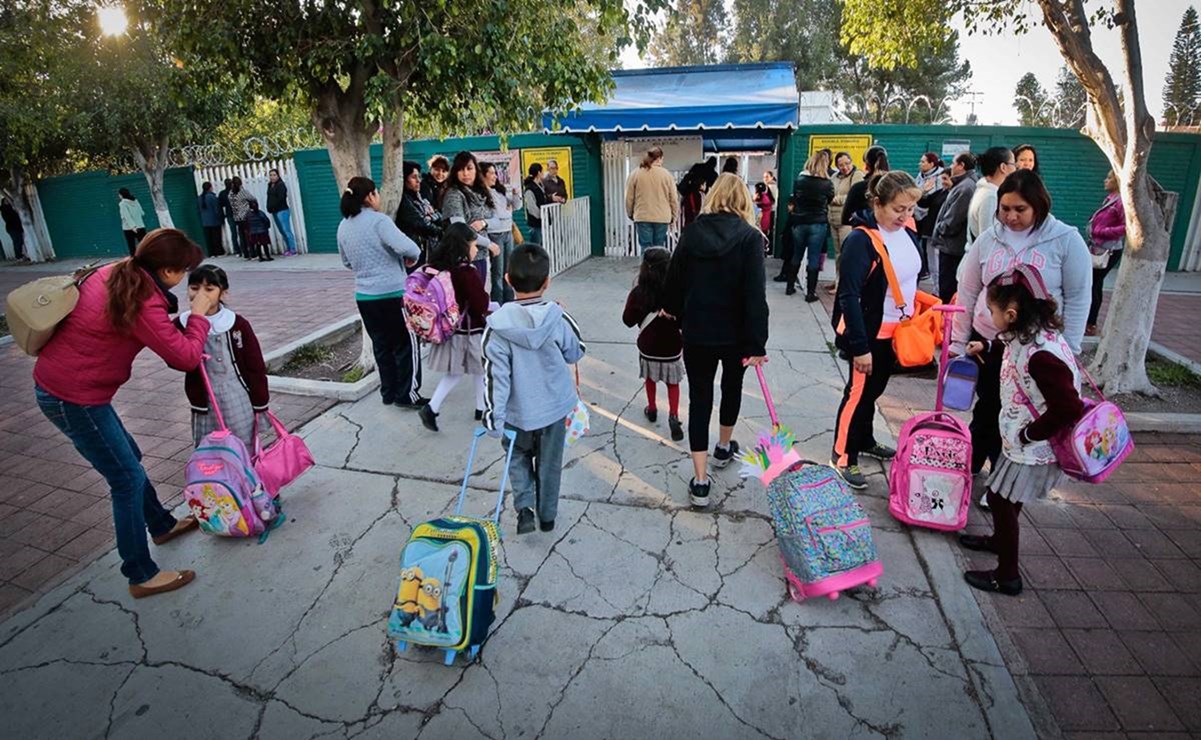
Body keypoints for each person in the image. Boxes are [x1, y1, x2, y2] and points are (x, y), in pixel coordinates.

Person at [34, 229, 215, 598]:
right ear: (166, 271)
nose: (183, 279)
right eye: (182, 271)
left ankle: (161, 524)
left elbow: (155, 331)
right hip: (73, 397)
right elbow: (184, 357)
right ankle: (140, 573)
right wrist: (198, 314)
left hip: (72, 390)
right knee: (126, 479)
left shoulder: (116, 273)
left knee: (128, 459)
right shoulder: (144, 298)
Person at [951, 169, 1092, 485]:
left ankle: (1004, 484)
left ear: (1039, 206)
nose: (1011, 217)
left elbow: (1080, 296)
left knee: (1022, 414)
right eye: (1005, 208)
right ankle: (970, 469)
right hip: (989, 341)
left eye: (1020, 209)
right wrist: (958, 341)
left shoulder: (1066, 240)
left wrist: (1069, 348)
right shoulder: (989, 238)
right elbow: (968, 288)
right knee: (988, 408)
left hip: (1036, 350)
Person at [958, 265, 1084, 596]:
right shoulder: (1029, 332)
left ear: (1011, 314)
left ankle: (1008, 575)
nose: (989, 315)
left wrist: (1030, 435)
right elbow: (1010, 348)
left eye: (992, 311)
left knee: (1000, 498)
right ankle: (999, 541)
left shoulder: (1043, 355)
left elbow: (1068, 407)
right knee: (1006, 498)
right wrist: (985, 347)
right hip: (1021, 439)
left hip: (1033, 445)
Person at [663, 173, 769, 509]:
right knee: (732, 388)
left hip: (697, 330)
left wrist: (673, 310)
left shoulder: (692, 232)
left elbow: (674, 280)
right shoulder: (751, 238)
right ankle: (723, 446)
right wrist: (757, 343)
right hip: (736, 334)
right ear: (743, 201)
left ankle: (700, 479)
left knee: (699, 400)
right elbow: (755, 294)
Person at [482, 244, 586, 534]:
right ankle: (548, 516)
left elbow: (494, 376)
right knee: (550, 463)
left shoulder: (496, 328)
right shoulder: (558, 317)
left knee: (516, 456)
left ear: (507, 280)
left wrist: (493, 417)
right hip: (554, 410)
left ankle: (525, 506)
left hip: (517, 414)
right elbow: (575, 352)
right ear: (547, 282)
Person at [829, 171, 924, 490]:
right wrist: (860, 347)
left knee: (873, 392)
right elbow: (848, 296)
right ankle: (843, 455)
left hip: (897, 333)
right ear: (877, 203)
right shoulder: (860, 240)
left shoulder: (908, 230)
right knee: (857, 395)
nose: (906, 215)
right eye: (899, 208)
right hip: (869, 334)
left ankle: (866, 439)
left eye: (910, 209)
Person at [337, 176, 425, 408]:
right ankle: (407, 395)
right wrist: (408, 258)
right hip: (392, 294)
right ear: (369, 197)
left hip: (365, 297)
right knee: (406, 344)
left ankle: (389, 392)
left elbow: (346, 262)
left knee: (382, 345)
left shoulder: (343, 226)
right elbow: (410, 248)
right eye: (376, 193)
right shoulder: (379, 221)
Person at [175, 265, 268, 450]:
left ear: (223, 293)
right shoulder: (181, 324)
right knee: (210, 446)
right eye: (194, 288)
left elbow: (255, 365)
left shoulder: (236, 324)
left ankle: (246, 476)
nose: (201, 295)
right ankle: (215, 478)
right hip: (205, 399)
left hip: (237, 395)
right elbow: (175, 359)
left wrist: (260, 401)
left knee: (243, 443)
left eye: (209, 289)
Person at [418, 223, 492, 432]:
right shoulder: (467, 272)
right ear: (463, 246)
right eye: (474, 244)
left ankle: (481, 407)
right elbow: (481, 303)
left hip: (452, 326)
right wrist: (487, 301)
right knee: (465, 370)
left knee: (475, 368)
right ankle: (432, 408)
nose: (476, 249)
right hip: (470, 328)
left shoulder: (442, 267)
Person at [622, 247, 685, 442]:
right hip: (672, 346)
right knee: (672, 383)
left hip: (648, 346)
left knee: (650, 378)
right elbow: (685, 319)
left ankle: (652, 408)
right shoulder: (676, 292)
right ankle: (674, 415)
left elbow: (628, 320)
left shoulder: (638, 292)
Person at [440, 151, 500, 287]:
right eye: (461, 169)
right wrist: (488, 244)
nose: (465, 174)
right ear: (455, 172)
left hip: (481, 255)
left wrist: (484, 223)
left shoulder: (480, 192)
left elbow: (497, 221)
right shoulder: (454, 195)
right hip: (464, 257)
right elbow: (460, 229)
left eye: (469, 168)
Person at [930, 152, 979, 302]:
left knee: (947, 289)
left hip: (952, 247)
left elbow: (953, 220)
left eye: (953, 163)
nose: (950, 167)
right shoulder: (964, 184)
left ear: (961, 165)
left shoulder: (965, 188)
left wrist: (940, 229)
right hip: (952, 245)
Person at [785, 154, 835, 301]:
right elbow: (830, 200)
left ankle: (789, 287)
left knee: (796, 255)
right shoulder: (827, 183)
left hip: (799, 222)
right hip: (818, 223)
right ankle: (810, 293)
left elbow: (795, 198)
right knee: (813, 258)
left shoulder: (799, 180)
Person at [1086, 170, 1126, 336]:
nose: (1105, 180)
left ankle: (1090, 322)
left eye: (1109, 178)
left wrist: (1101, 231)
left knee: (1092, 284)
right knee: (1097, 284)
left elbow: (1127, 227)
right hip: (1098, 247)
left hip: (1108, 250)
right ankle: (1091, 321)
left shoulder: (1120, 202)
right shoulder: (1110, 200)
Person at [625, 146, 679, 253]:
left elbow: (629, 197)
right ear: (659, 158)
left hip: (642, 216)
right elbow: (673, 198)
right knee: (659, 246)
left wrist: (630, 213)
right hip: (662, 217)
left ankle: (646, 268)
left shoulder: (636, 173)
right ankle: (658, 269)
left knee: (645, 246)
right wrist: (673, 216)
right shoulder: (667, 175)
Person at [825, 152, 865, 292]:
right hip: (833, 219)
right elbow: (828, 192)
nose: (845, 167)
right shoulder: (834, 176)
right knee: (838, 253)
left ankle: (844, 284)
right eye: (841, 165)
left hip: (846, 221)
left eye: (847, 163)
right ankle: (838, 280)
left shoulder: (857, 175)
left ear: (851, 162)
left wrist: (837, 199)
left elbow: (854, 195)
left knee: (846, 254)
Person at [481, 161, 520, 304]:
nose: (494, 176)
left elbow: (516, 206)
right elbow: (499, 215)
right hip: (495, 234)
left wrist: (516, 195)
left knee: (508, 270)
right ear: (482, 175)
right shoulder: (482, 194)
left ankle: (509, 300)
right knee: (497, 271)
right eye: (491, 173)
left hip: (507, 232)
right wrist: (507, 213)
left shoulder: (499, 191)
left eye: (495, 173)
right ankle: (498, 302)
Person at [395, 160, 443, 266]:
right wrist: (442, 232)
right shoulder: (403, 200)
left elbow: (437, 214)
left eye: (419, 177)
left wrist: (433, 218)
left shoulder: (418, 197)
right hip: (412, 254)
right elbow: (421, 223)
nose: (418, 181)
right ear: (404, 179)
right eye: (413, 177)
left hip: (425, 250)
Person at [967, 146, 1017, 248]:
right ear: (1003, 167)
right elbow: (988, 241)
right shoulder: (991, 197)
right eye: (1013, 164)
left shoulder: (986, 190)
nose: (1016, 168)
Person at [917, 169, 954, 289]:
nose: (943, 182)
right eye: (942, 179)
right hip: (931, 233)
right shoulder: (940, 193)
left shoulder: (953, 194)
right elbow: (924, 203)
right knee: (932, 263)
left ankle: (938, 288)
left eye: (946, 179)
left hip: (940, 234)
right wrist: (924, 191)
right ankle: (935, 288)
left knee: (938, 264)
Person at [840, 146, 889, 229]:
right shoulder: (896, 186)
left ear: (867, 165)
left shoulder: (859, 188)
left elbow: (845, 218)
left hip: (865, 235)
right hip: (892, 235)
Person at [913, 153, 945, 279]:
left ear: (931, 164)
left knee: (929, 249)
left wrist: (922, 195)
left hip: (928, 217)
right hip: (916, 214)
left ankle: (926, 270)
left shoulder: (939, 178)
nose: (920, 164)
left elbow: (933, 199)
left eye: (923, 162)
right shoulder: (921, 176)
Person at [266, 169, 298, 256]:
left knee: (286, 230)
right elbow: (269, 197)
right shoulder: (270, 185)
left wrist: (273, 206)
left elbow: (281, 198)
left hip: (282, 210)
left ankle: (293, 249)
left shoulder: (281, 185)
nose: (272, 177)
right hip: (274, 211)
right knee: (282, 231)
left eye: (274, 175)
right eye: (271, 175)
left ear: (278, 175)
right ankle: (288, 248)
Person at [228, 177, 255, 258]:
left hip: (237, 217)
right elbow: (252, 198)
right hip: (245, 216)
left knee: (242, 235)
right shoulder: (242, 192)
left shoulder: (230, 194)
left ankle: (245, 253)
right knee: (249, 235)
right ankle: (252, 252)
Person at [523, 163, 548, 245]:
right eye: (542, 171)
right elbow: (531, 207)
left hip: (542, 222)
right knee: (536, 247)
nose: (543, 173)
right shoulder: (530, 188)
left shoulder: (540, 185)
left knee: (543, 245)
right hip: (536, 224)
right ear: (538, 173)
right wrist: (542, 216)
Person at [197, 182, 224, 257]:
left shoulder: (199, 198)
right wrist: (220, 218)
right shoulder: (212, 197)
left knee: (209, 238)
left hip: (205, 222)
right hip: (214, 221)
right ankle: (218, 252)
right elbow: (216, 209)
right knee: (216, 237)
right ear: (210, 188)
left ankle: (210, 252)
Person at [118, 189, 147, 257]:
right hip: (140, 226)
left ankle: (134, 263)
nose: (119, 196)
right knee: (145, 245)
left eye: (119, 195)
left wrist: (133, 227)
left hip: (128, 228)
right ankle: (147, 258)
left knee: (132, 246)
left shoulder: (122, 204)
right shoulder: (135, 201)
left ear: (121, 195)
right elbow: (142, 212)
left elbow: (126, 216)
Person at [218, 178, 242, 257]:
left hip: (229, 214)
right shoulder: (235, 192)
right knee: (241, 232)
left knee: (233, 233)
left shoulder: (222, 194)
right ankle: (244, 247)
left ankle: (236, 249)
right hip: (238, 213)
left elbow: (220, 205)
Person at [1, 196, 25, 261]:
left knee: (19, 241)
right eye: (6, 201)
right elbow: (8, 219)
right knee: (17, 241)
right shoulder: (5, 209)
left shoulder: (11, 208)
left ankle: (20, 255)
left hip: (16, 227)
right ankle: (18, 256)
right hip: (12, 228)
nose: (7, 202)